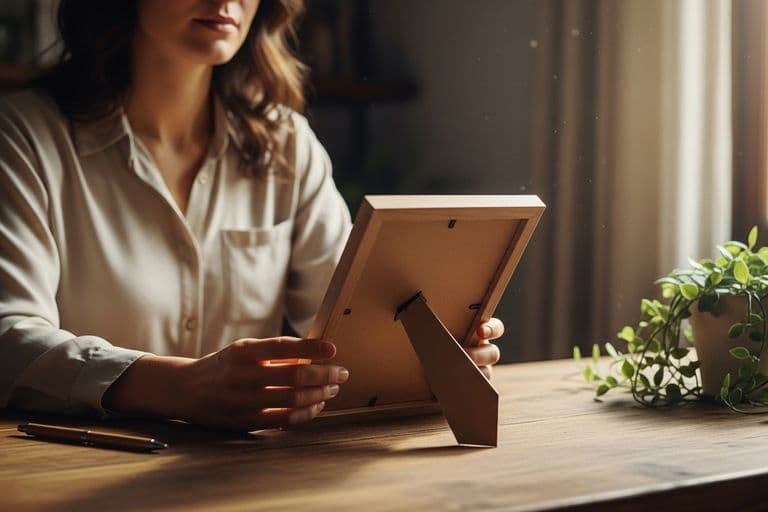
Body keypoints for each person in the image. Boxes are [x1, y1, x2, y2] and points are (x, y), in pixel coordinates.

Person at [0, 0, 504, 431]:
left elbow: (349, 327)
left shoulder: (287, 145)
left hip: (248, 476)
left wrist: (427, 357)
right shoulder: (24, 137)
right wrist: (178, 385)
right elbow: (9, 340)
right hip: (73, 473)